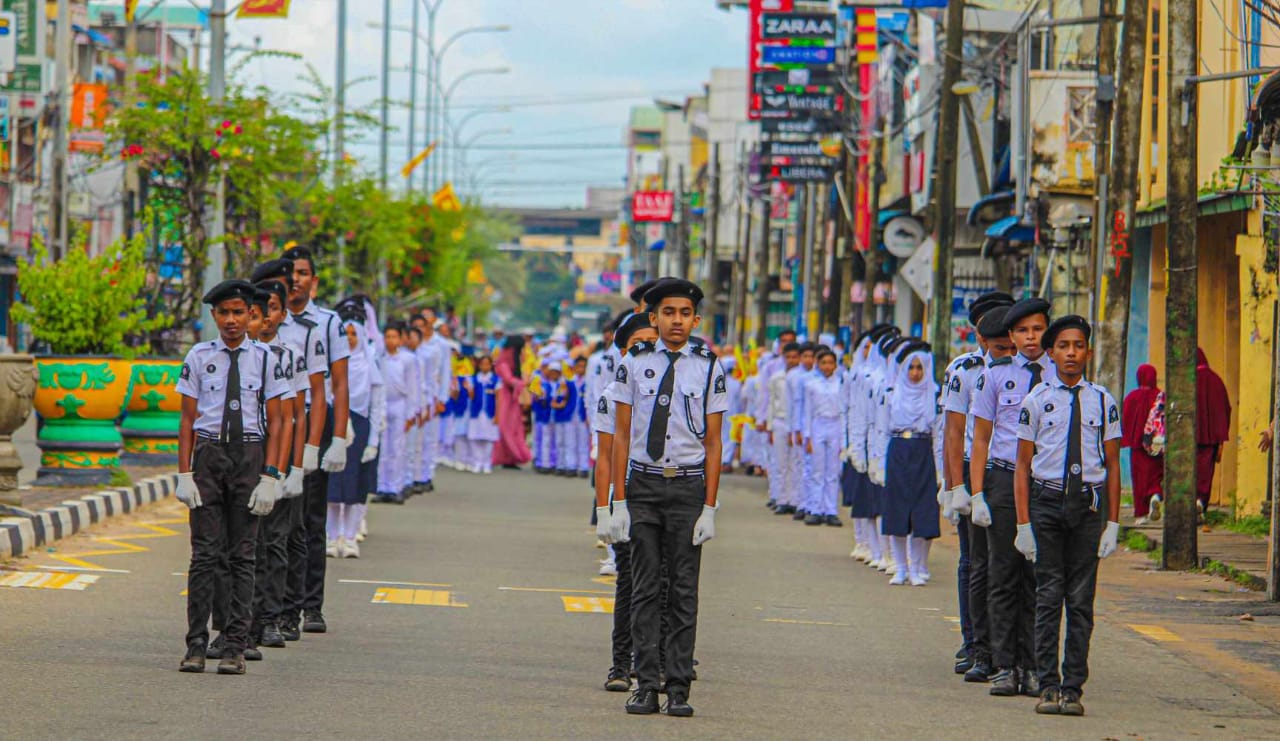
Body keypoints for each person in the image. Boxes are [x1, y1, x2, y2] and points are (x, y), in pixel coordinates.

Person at [609, 277, 728, 718]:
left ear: (695, 320)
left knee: (682, 590)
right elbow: (621, 435)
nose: (677, 321)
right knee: (644, 589)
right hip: (643, 484)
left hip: (687, 487)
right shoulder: (634, 362)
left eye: (685, 313)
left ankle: (678, 686)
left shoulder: (709, 367)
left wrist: (709, 508)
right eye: (668, 313)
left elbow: (714, 442)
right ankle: (645, 685)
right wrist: (617, 502)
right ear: (653, 317)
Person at [175, 279, 289, 674]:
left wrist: (271, 476)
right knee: (204, 555)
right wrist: (184, 473)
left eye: (239, 312)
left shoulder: (266, 359)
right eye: (223, 313)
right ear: (214, 315)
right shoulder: (199, 355)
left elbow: (279, 421)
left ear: (251, 314)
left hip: (249, 455)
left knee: (243, 556)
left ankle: (235, 647)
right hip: (209, 455)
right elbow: (187, 419)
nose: (231, 320)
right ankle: (195, 644)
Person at [1013, 315, 1122, 717]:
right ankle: (1048, 685)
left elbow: (1113, 464)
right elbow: (1022, 465)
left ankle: (1073, 687)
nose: (1071, 353)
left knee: (1080, 601)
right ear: (1051, 353)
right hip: (1046, 503)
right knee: (1048, 596)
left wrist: (1113, 523)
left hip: (1087, 507)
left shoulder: (1103, 401)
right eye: (1063, 346)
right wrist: (1023, 524)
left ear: (1088, 352)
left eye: (1078, 346)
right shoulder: (1036, 401)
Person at [970, 296, 1055, 697]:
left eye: (1037, 329)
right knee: (1003, 574)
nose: (1031, 337)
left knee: (1038, 577)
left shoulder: (1060, 374)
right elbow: (981, 438)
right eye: (1022, 331)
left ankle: (1034, 665)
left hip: (1045, 483)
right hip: (1003, 480)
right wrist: (975, 493)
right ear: (1011, 336)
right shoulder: (995, 376)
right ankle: (1005, 665)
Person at [279, 245, 351, 636]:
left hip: (313, 423)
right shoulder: (268, 316)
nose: (296, 279)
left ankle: (311, 605)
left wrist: (337, 437)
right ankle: (278, 606)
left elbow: (338, 383)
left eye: (303, 273)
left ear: (314, 280)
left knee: (309, 518)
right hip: (276, 423)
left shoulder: (328, 323)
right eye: (290, 272)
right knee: (279, 520)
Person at [941, 293, 1014, 676]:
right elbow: (952, 433)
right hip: (974, 467)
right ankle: (973, 642)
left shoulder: (1029, 368)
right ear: (981, 335)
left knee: (1008, 564)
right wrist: (953, 485)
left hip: (1013, 468)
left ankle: (1006, 648)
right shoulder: (964, 369)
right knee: (974, 562)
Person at [592, 311, 659, 693]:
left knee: (663, 584)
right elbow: (604, 457)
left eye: (652, 343)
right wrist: (606, 509)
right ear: (622, 351)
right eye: (638, 345)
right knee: (630, 583)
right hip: (627, 495)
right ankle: (620, 663)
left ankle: (657, 661)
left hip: (663, 495)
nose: (646, 350)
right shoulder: (610, 396)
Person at [248, 278, 308, 654]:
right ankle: (240, 620)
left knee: (274, 541)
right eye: (259, 310)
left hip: (277, 457)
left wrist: (293, 467)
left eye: (272, 309)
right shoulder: (237, 354)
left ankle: (271, 618)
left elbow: (294, 416)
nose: (265, 317)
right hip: (244, 455)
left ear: (282, 314)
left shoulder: (289, 356)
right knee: (243, 544)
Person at [877, 341, 939, 585]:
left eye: (919, 367)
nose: (915, 373)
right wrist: (878, 463)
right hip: (898, 450)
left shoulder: (934, 394)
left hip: (923, 450)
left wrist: (942, 470)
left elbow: (940, 434)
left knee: (922, 510)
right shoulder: (892, 394)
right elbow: (882, 429)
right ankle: (900, 567)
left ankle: (916, 568)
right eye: (911, 367)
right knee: (897, 509)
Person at [325, 298, 383, 559]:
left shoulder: (369, 364)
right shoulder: (332, 364)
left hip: (360, 426)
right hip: (335, 423)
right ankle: (330, 536)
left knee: (354, 485)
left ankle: (349, 537)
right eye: (345, 333)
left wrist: (373, 441)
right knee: (332, 486)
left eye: (353, 333)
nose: (349, 338)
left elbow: (377, 405)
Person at [801, 348, 846, 526]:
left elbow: (844, 410)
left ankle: (831, 510)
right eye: (824, 363)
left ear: (835, 365)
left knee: (833, 471)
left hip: (835, 425)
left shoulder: (841, 383)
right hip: (817, 425)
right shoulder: (811, 384)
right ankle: (815, 509)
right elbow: (807, 411)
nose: (827, 366)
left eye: (830, 363)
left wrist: (844, 439)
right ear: (818, 364)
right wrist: (807, 436)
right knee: (817, 470)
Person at [376, 322, 415, 503]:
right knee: (383, 447)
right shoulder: (379, 357)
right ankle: (382, 487)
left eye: (394, 337)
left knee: (397, 447)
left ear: (400, 339)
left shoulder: (408, 359)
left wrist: (410, 414)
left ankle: (395, 487)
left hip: (400, 403)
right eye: (387, 337)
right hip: (383, 404)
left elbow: (412, 388)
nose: (390, 340)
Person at [1123, 364, 1165, 523]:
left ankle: (1141, 514)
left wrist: (1127, 439)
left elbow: (1125, 420)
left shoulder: (1131, 397)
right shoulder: (1161, 397)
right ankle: (1156, 495)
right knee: (1156, 475)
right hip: (1156, 446)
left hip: (1137, 447)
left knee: (1139, 479)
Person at [1195, 348, 1232, 516]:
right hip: (1211, 437)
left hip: (1189, 436)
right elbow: (1226, 409)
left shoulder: (1187, 381)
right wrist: (1221, 436)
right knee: (1206, 471)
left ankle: (1191, 503)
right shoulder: (1217, 381)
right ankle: (1201, 502)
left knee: (1190, 470)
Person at [768, 343, 801, 515]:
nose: (792, 360)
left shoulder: (803, 377)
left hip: (796, 424)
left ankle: (795, 500)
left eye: (795, 357)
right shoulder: (776, 378)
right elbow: (771, 403)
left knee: (795, 463)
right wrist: (769, 426)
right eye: (788, 357)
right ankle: (781, 499)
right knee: (780, 463)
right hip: (780, 421)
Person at [493, 336, 532, 468]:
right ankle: (507, 456)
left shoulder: (514, 362)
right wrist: (524, 383)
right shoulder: (503, 363)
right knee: (505, 427)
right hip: (504, 398)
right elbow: (508, 379)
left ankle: (511, 458)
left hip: (512, 398)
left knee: (514, 427)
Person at [466, 354, 500, 474]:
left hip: (490, 412)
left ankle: (486, 462)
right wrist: (469, 390)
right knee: (475, 438)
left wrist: (497, 415)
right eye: (482, 364)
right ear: (479, 365)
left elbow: (498, 399)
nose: (485, 366)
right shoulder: (474, 379)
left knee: (488, 438)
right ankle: (477, 461)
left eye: (487, 364)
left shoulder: (496, 380)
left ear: (491, 366)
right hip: (476, 412)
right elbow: (471, 397)